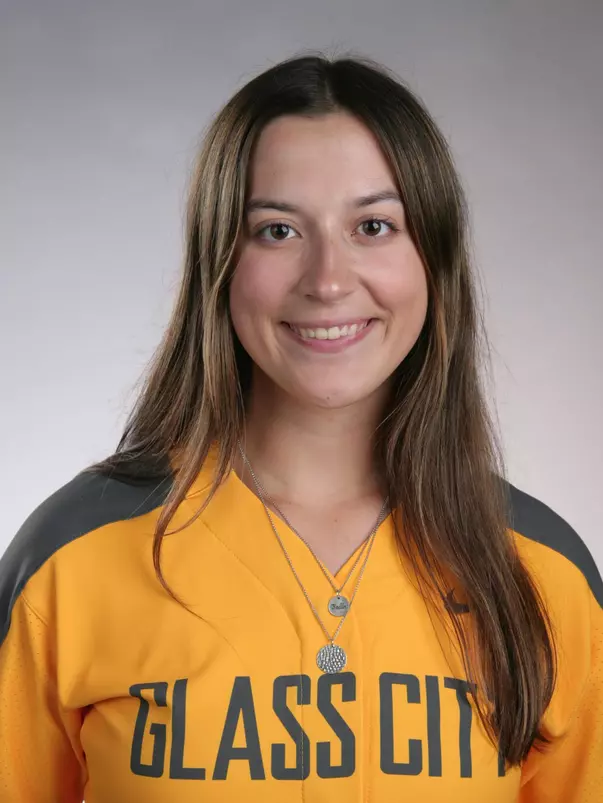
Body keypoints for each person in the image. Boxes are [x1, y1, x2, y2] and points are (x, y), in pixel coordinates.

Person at [0, 51, 601, 803]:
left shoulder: (542, 575)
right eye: (277, 230)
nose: (326, 279)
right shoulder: (73, 558)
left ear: (434, 258)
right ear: (219, 259)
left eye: (374, 226)